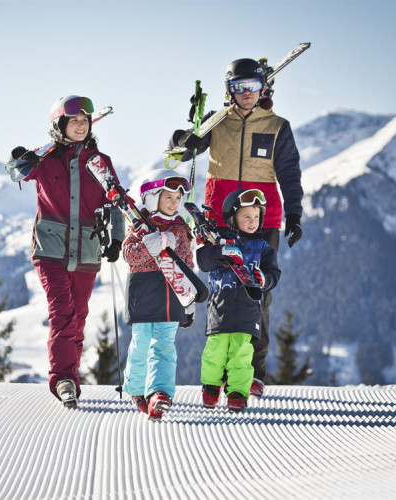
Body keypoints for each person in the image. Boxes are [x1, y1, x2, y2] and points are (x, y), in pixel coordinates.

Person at [168, 57, 303, 397]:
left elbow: (289, 173)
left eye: (253, 87)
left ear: (264, 89)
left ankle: (252, 373)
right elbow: (182, 152)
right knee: (221, 292)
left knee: (258, 295)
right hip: (219, 219)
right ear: (229, 90)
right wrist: (185, 135)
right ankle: (220, 371)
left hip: (261, 219)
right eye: (238, 87)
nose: (246, 94)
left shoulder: (277, 126)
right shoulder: (217, 121)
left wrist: (295, 214)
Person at [5, 95, 125, 408]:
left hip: (87, 249)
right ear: (60, 124)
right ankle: (62, 380)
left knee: (79, 316)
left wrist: (116, 239)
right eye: (74, 121)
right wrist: (20, 157)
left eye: (85, 121)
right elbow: (16, 172)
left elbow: (115, 202)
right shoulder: (44, 160)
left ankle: (70, 376)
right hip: (50, 248)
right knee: (63, 312)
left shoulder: (100, 162)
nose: (81, 126)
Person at [196, 189, 281, 412]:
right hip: (219, 309)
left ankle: (237, 392)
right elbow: (202, 261)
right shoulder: (220, 241)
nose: (252, 222)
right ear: (233, 217)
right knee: (215, 350)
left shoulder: (263, 248)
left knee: (242, 353)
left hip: (248, 309)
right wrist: (220, 251)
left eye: (256, 217)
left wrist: (264, 280)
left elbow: (274, 274)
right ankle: (211, 386)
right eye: (246, 217)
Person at [122, 169, 195, 420]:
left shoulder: (181, 229)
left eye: (177, 199)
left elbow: (188, 264)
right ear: (152, 198)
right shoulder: (138, 225)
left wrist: (190, 300)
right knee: (141, 343)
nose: (174, 203)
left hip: (172, 297)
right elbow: (130, 256)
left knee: (164, 346)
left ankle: (160, 393)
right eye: (168, 198)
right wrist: (149, 245)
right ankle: (137, 390)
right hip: (143, 294)